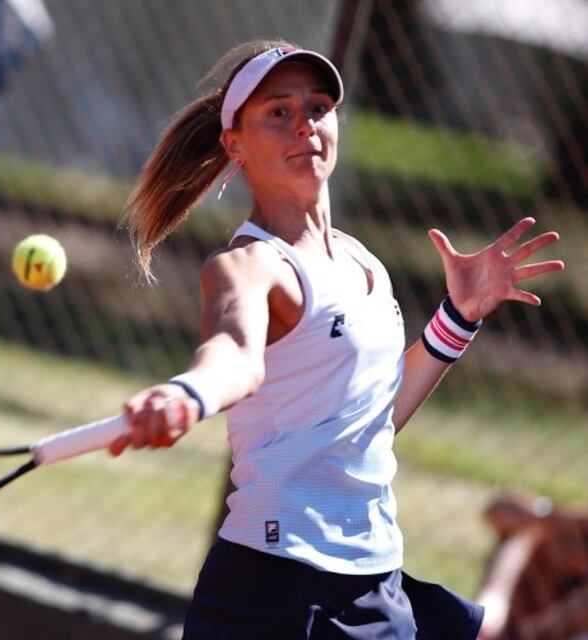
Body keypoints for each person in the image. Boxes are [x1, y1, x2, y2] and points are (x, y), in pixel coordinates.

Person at [112, 40, 565, 639]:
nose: (305, 125)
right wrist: (187, 395)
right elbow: (233, 359)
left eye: (318, 107)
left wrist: (458, 316)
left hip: (373, 576)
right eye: (278, 111)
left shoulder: (362, 263)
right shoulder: (249, 266)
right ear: (234, 145)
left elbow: (371, 421)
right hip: (273, 589)